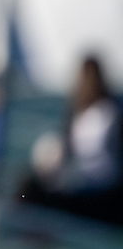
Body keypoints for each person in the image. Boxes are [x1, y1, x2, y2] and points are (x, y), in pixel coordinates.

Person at [19, 55, 123, 224]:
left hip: (106, 191)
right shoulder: (79, 113)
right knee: (29, 185)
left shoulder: (110, 113)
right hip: (82, 185)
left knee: (32, 189)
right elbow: (67, 152)